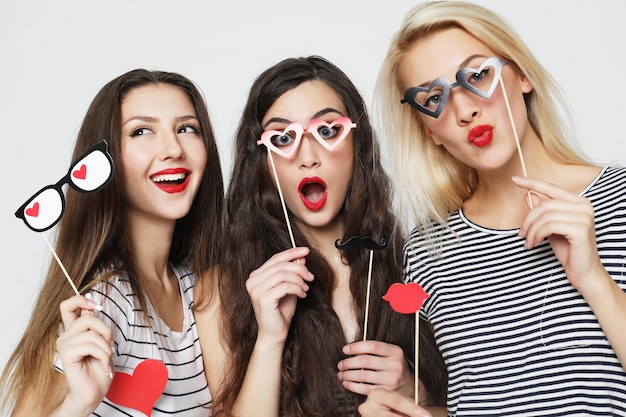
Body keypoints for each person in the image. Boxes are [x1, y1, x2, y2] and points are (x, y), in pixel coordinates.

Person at [367, 1, 626, 416]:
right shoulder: (425, 252)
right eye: (434, 98)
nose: (465, 109)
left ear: (522, 74)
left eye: (478, 75)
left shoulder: (622, 198)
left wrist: (594, 279)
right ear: (428, 130)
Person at [194, 55, 447, 417]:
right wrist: (270, 338)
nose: (308, 157)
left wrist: (414, 391)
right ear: (262, 163)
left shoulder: (416, 263)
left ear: (357, 144)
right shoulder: (220, 290)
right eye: (283, 138)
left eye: (328, 131)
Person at [0, 69, 224, 416]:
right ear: (105, 162)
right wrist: (79, 402)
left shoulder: (199, 291)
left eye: (186, 128)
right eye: (140, 131)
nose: (173, 148)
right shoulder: (101, 301)